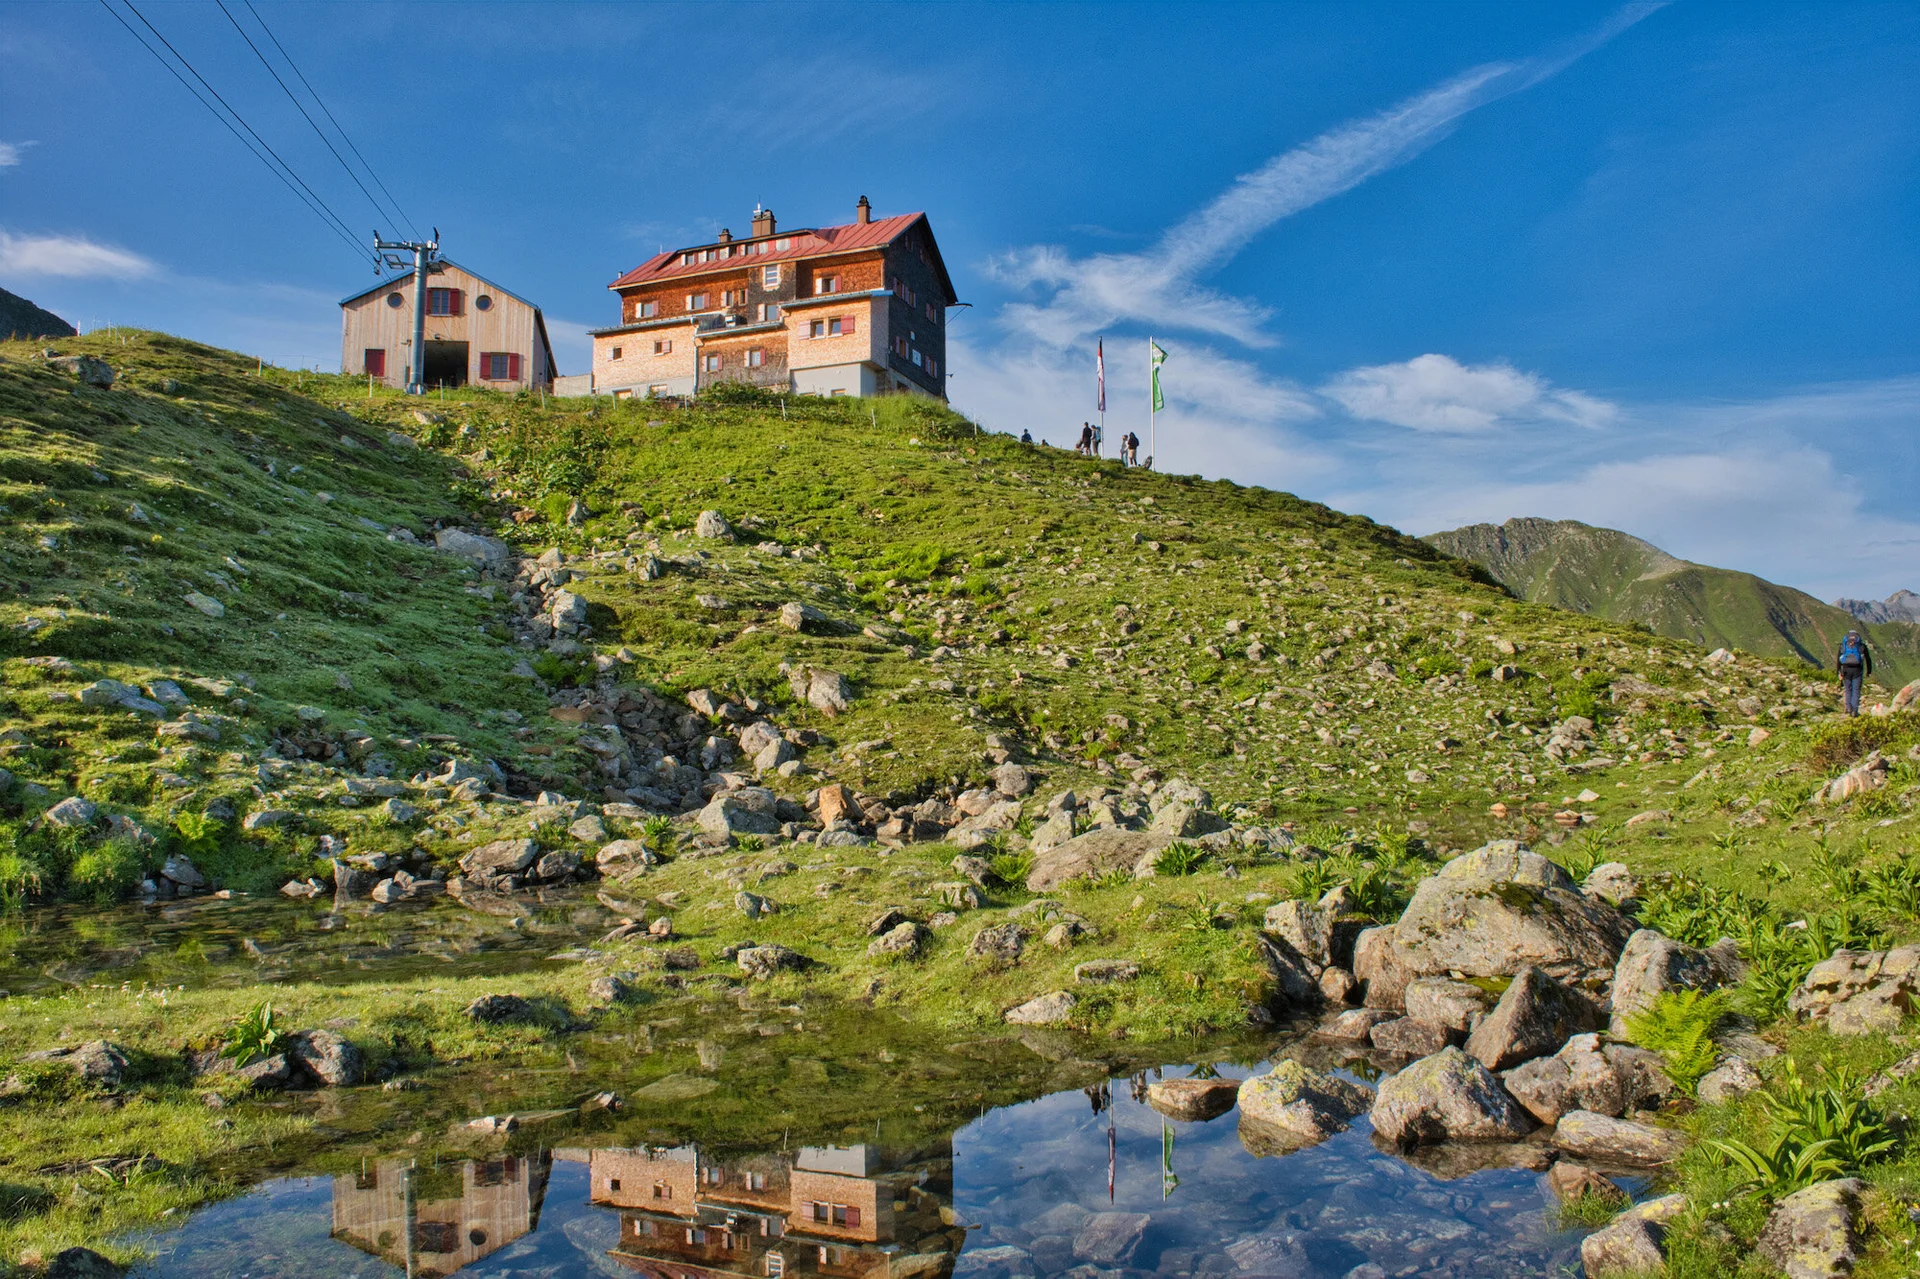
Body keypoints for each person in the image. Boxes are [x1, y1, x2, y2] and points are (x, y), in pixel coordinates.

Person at [1836, 630, 1872, 716]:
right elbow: (1868, 659)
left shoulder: (1843, 646)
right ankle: (1855, 710)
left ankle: (1848, 708)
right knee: (1856, 690)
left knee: (1848, 689)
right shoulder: (1861, 646)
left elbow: (1838, 660)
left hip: (1846, 669)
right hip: (1857, 670)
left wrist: (1839, 671)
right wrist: (1869, 671)